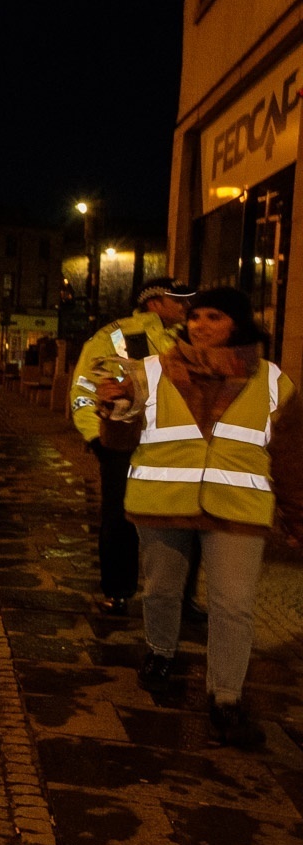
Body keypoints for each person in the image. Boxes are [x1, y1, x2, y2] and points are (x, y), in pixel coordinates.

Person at [95, 286, 302, 748]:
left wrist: (295, 514)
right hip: (162, 501)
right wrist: (111, 409)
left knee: (233, 605)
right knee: (162, 589)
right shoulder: (150, 370)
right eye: (195, 317)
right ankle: (160, 652)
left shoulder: (272, 380)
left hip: (239, 509)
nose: (199, 325)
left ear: (238, 324)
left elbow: (290, 455)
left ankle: (225, 698)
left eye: (213, 316)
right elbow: (119, 441)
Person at [69, 276, 193, 614]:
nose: (186, 306)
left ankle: (182, 596)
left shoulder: (191, 337)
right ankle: (118, 590)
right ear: (153, 303)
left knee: (185, 520)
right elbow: (84, 387)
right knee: (120, 518)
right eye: (177, 300)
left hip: (180, 446)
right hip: (126, 445)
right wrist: (96, 437)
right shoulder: (119, 334)